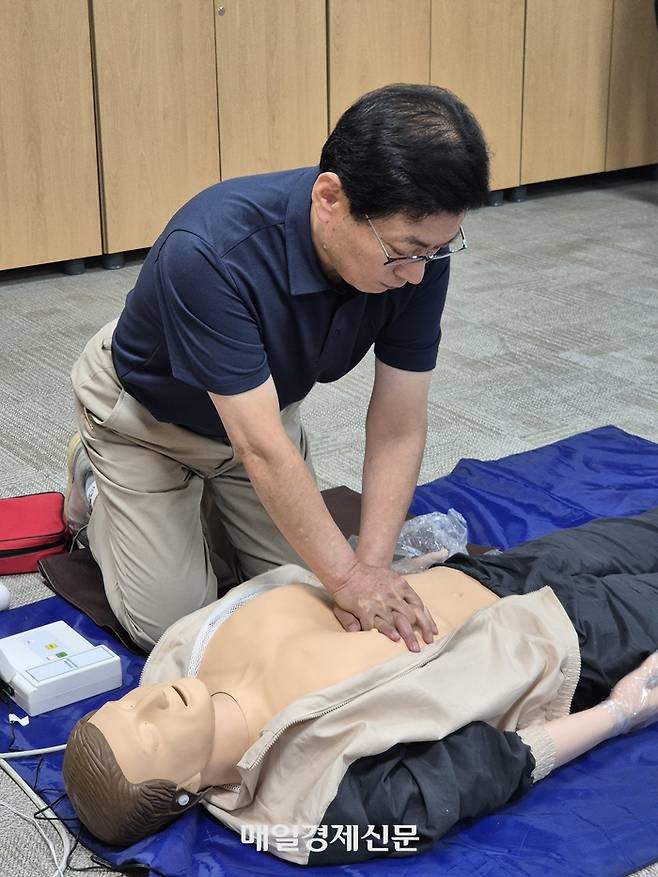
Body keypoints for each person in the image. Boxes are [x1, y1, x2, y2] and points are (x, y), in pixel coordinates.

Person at [64, 83, 490, 653]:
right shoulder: (211, 250)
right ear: (330, 199)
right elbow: (261, 446)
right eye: (404, 251)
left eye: (434, 250)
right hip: (146, 422)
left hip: (260, 411)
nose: (417, 273)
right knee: (176, 628)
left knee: (301, 598)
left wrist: (372, 566)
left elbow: (398, 425)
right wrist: (348, 579)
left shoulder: (419, 254)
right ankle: (95, 484)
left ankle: (199, 513)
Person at [63, 508, 658, 865]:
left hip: (486, 572)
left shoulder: (178, 653)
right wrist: (620, 712)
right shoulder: (309, 812)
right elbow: (478, 776)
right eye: (151, 734)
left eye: (125, 704)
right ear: (184, 790)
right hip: (564, 642)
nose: (151, 701)